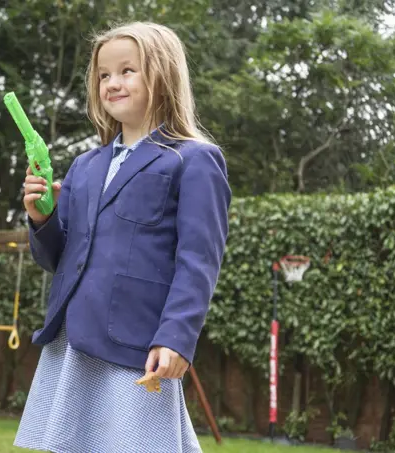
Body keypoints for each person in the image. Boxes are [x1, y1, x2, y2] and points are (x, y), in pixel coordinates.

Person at [13, 21, 231, 453]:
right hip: (73, 339)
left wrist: (175, 338)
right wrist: (42, 218)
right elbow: (62, 258)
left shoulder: (195, 159)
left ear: (163, 74)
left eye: (127, 70)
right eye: (104, 74)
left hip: (138, 343)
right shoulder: (84, 166)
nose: (112, 82)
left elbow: (198, 261)